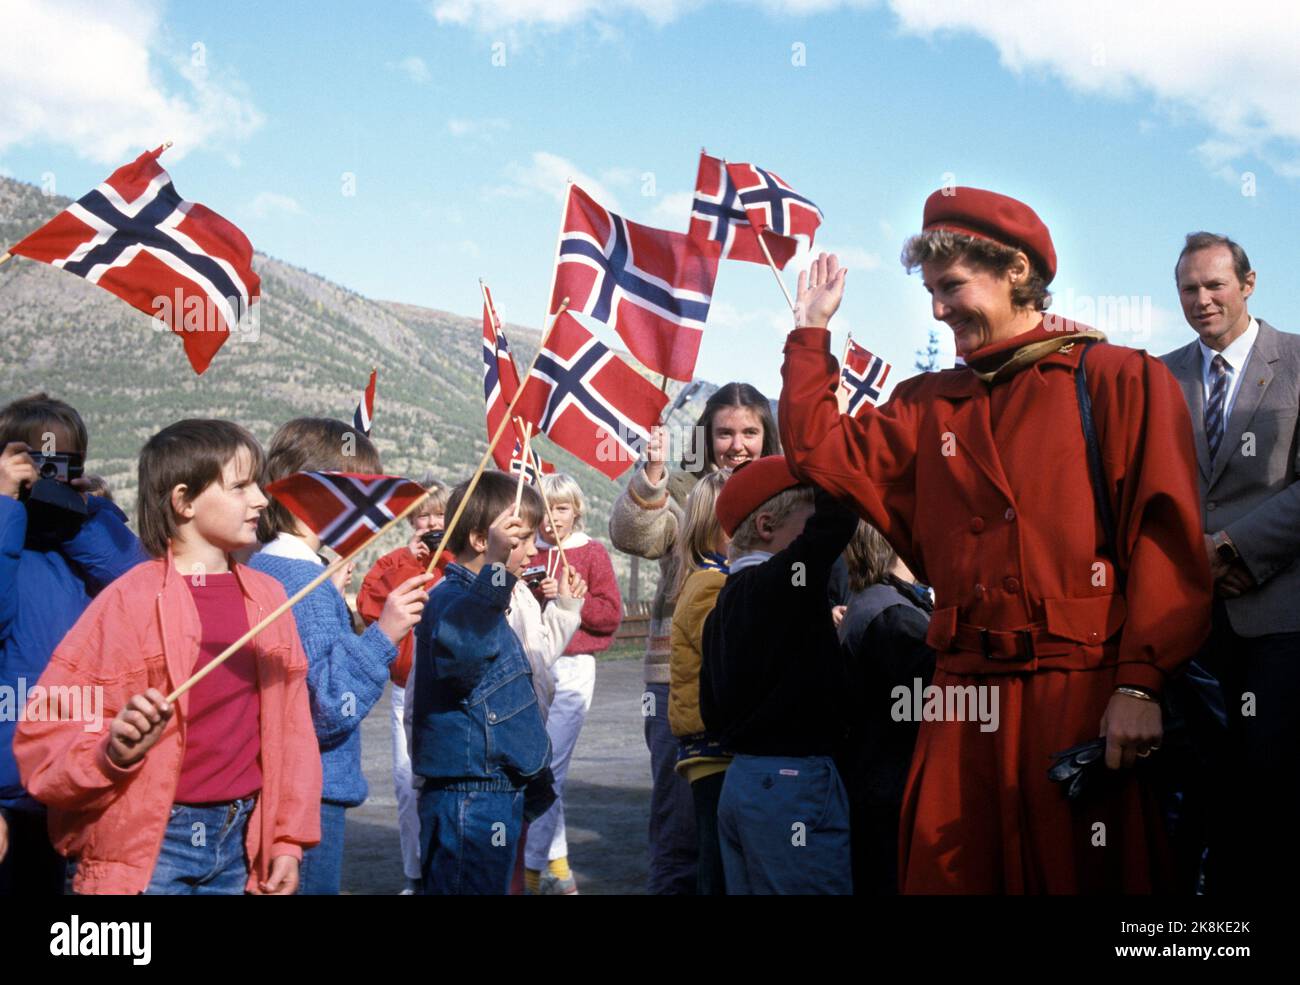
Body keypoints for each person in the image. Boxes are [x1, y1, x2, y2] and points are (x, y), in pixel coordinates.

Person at [779, 186, 1212, 893]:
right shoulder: (927, 403)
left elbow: (1166, 545)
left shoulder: (1121, 380)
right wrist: (810, 332)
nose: (939, 309)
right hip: (961, 701)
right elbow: (817, 451)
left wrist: (1141, 682)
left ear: (1015, 269)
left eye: (951, 286)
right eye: (931, 292)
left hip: (1081, 694)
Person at [13, 419, 322, 894]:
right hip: (147, 846)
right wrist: (111, 751)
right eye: (239, 486)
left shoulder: (269, 599)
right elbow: (46, 734)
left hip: (242, 842)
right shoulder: (127, 602)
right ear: (184, 501)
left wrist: (285, 839)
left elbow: (293, 731)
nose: (261, 499)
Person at [1160, 232, 1300, 895]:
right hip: (1186, 623)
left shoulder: (1298, 362)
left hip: (1278, 620)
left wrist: (1235, 548)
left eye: (1214, 284)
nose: (1201, 299)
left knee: (1269, 801)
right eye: (1189, 288)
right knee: (1193, 799)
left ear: (1248, 283)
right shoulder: (1158, 378)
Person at [609, 382, 778, 894]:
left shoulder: (786, 494)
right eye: (725, 433)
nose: (738, 445)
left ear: (766, 436)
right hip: (679, 683)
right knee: (683, 829)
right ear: (706, 438)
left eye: (750, 431)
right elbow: (634, 535)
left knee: (751, 826)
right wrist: (654, 472)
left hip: (764, 684)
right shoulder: (684, 491)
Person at [250, 418, 432, 894]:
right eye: (360, 492)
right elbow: (328, 706)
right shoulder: (300, 583)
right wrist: (385, 634)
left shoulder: (272, 566)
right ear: (320, 494)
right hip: (311, 796)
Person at [0, 393, 147, 895]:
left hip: (72, 769)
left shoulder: (89, 536)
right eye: (32, 462)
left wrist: (82, 516)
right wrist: (6, 507)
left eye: (58, 464)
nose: (44, 475)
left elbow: (137, 583)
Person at [700, 456, 857, 894]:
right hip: (793, 786)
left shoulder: (721, 608)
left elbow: (710, 711)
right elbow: (839, 519)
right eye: (806, 524)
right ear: (768, 526)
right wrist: (823, 446)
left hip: (743, 782)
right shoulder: (786, 580)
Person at [410, 471, 553, 895]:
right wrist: (496, 570)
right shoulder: (452, 600)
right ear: (481, 540)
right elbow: (463, 655)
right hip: (468, 799)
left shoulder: (482, 600)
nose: (532, 549)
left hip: (491, 791)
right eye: (522, 538)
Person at [524, 472, 619, 895]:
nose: (551, 518)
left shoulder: (592, 553)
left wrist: (572, 603)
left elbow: (610, 615)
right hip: (531, 667)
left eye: (560, 508)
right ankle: (559, 869)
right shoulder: (526, 552)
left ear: (576, 510)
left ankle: (527, 871)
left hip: (574, 666)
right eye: (543, 508)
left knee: (549, 768)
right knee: (536, 766)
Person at [357, 478, 451, 895]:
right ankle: (415, 874)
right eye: (422, 516)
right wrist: (404, 563)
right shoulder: (394, 562)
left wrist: (444, 555)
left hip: (448, 687)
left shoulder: (458, 560)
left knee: (445, 781)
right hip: (404, 686)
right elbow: (368, 606)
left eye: (437, 515)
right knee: (404, 780)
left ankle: (444, 869)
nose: (430, 522)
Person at [836, 521, 935, 895]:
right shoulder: (895, 618)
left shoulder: (877, 601)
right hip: (890, 791)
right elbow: (925, 711)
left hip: (872, 784)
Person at [667, 470, 730, 894]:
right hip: (714, 746)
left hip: (712, 745)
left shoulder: (708, 579)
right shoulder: (712, 584)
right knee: (719, 862)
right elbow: (729, 653)